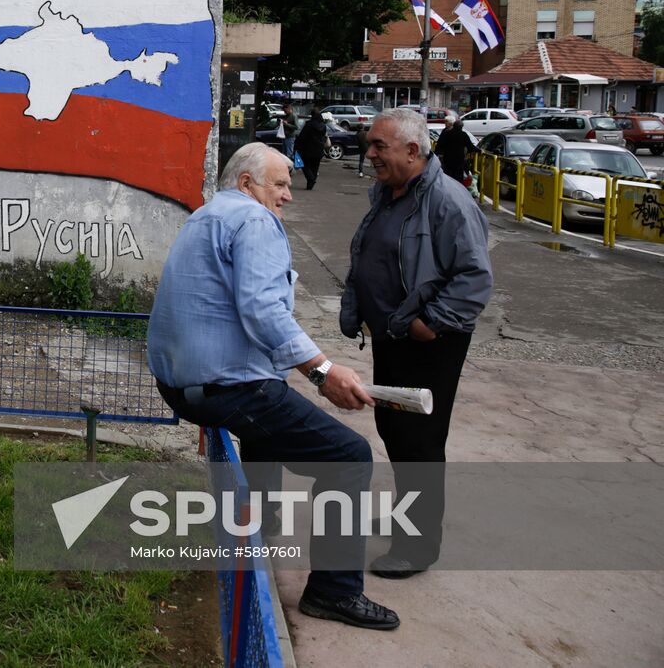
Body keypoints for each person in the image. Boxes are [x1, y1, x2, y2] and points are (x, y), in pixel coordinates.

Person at [148, 143, 399, 631]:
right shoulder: (254, 221)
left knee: (269, 428)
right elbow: (264, 310)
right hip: (225, 387)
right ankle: (334, 592)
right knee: (349, 456)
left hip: (182, 385)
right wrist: (324, 372)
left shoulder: (208, 214)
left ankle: (256, 536)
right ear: (247, 183)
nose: (288, 195)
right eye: (280, 183)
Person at [340, 109, 493, 579]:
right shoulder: (390, 193)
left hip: (428, 343)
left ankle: (418, 545)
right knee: (393, 429)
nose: (369, 154)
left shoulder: (448, 202)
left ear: (412, 150)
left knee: (420, 441)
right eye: (370, 145)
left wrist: (432, 322)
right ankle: (411, 517)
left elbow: (474, 277)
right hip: (392, 336)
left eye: (378, 146)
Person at [433, 112, 476, 188]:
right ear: (461, 127)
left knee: (448, 176)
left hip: (448, 159)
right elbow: (471, 146)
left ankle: (448, 189)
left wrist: (437, 153)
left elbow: (440, 144)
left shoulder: (447, 133)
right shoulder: (463, 135)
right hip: (459, 160)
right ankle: (457, 190)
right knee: (458, 178)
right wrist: (479, 150)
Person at [294, 109, 330, 190]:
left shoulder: (309, 125)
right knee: (315, 166)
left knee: (304, 164)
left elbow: (302, 136)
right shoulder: (323, 126)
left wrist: (297, 145)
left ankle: (310, 179)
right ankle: (310, 183)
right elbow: (324, 136)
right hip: (319, 149)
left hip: (308, 149)